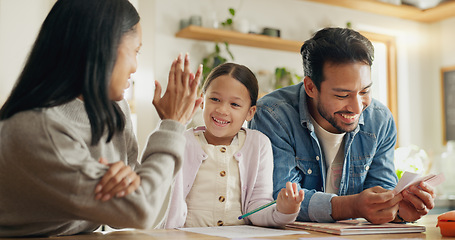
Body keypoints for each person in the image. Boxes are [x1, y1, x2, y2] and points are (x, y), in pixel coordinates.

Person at [0, 0, 202, 237]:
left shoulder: (114, 109)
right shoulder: (35, 129)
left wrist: (131, 186)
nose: (135, 66)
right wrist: (173, 125)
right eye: (135, 51)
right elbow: (139, 209)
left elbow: (130, 209)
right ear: (101, 47)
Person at [249, 27, 435, 224]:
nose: (357, 107)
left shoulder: (380, 120)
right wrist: (351, 206)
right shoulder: (273, 115)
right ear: (311, 87)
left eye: (364, 91)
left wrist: (397, 210)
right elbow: (277, 198)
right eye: (342, 95)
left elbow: (382, 189)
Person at [163, 63, 304, 228]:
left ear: (250, 112)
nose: (222, 110)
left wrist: (285, 212)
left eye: (235, 105)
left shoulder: (259, 144)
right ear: (202, 101)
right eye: (215, 99)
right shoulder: (182, 141)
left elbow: (257, 206)